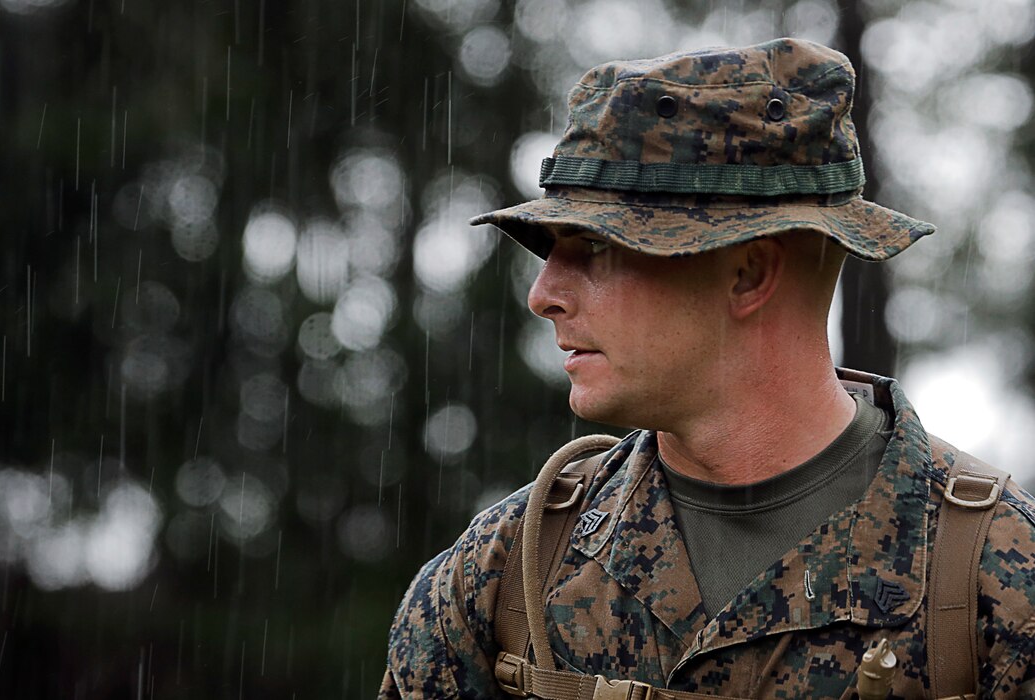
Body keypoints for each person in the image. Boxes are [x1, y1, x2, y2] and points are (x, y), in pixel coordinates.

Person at [379, 38, 1035, 699]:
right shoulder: (502, 575)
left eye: (597, 249)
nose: (542, 294)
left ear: (747, 273)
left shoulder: (996, 583)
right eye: (550, 251)